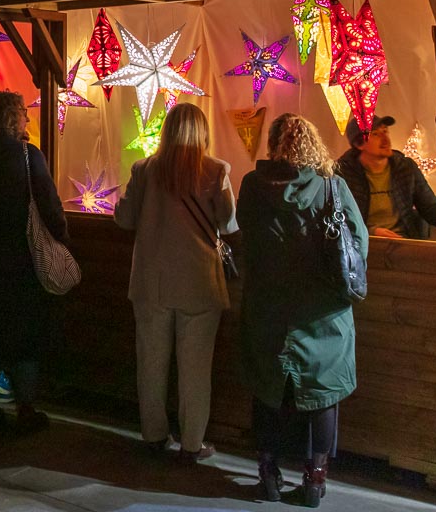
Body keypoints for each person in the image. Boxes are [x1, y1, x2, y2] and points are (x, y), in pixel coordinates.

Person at [237, 114, 368, 507]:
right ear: (314, 143)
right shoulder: (333, 187)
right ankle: (314, 480)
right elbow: (358, 245)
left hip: (268, 310)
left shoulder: (251, 186)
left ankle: (268, 471)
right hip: (323, 313)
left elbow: (246, 237)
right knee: (323, 395)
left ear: (272, 143)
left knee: (267, 391)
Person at [113, 103, 237, 461]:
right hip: (199, 283)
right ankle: (192, 444)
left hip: (151, 282)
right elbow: (229, 223)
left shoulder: (144, 168)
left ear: (167, 130)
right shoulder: (215, 170)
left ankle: (153, 435)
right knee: (196, 368)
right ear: (201, 131)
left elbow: (124, 219)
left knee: (150, 362)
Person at [0, 90, 68, 434]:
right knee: (25, 335)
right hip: (23, 257)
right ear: (12, 116)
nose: (27, 117)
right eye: (23, 112)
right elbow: (49, 204)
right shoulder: (28, 155)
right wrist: (62, 237)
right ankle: (26, 407)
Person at [335, 114, 436, 242]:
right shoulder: (342, 174)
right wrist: (370, 233)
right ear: (359, 144)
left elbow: (429, 207)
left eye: (385, 131)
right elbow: (336, 220)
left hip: (403, 244)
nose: (385, 139)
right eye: (375, 134)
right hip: (361, 246)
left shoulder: (405, 167)